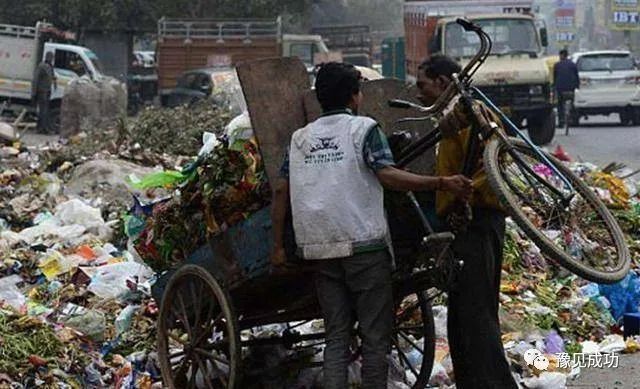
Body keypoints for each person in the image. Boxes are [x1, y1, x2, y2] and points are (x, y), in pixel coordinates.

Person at [270, 62, 472, 389]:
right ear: (354, 97)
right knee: (375, 336)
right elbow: (388, 176)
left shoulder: (300, 139)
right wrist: (441, 182)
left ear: (321, 98)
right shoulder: (363, 129)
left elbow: (280, 190)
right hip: (364, 247)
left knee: (337, 336)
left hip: (320, 249)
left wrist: (277, 246)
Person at [416, 54, 519, 389]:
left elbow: (493, 166)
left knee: (476, 311)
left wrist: (465, 195)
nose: (419, 94)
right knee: (462, 314)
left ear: (443, 83)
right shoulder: (452, 117)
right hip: (463, 221)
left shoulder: (472, 113)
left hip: (478, 218)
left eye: (423, 85)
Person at [553, 49, 579, 127]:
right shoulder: (573, 64)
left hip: (560, 88)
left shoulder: (557, 65)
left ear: (561, 55)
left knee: (560, 104)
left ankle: (561, 121)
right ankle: (573, 119)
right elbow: (576, 76)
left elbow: (555, 77)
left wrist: (554, 87)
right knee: (573, 103)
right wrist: (577, 86)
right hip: (571, 88)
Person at [31, 51, 57, 133]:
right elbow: (35, 80)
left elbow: (52, 77)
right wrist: (33, 93)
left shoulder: (50, 66)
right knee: (43, 111)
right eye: (51, 57)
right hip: (42, 91)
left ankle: (41, 128)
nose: (52, 59)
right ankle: (42, 128)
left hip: (47, 91)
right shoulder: (41, 66)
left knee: (44, 110)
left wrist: (54, 81)